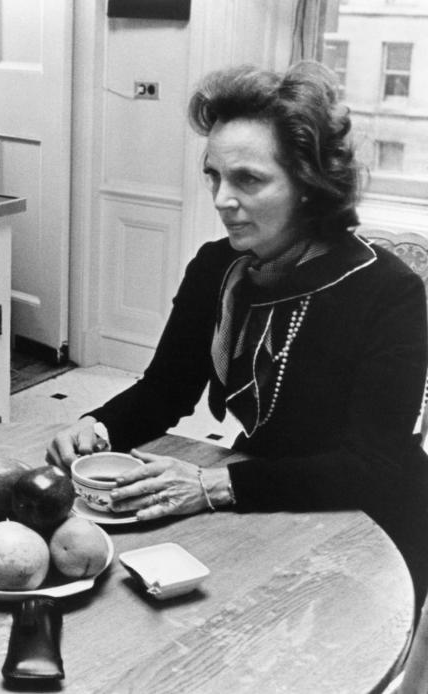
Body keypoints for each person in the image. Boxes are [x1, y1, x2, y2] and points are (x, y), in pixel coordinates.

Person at [47, 61, 428, 610]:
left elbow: (375, 464)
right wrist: (97, 426)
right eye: (214, 175)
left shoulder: (387, 290)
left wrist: (211, 487)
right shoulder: (216, 268)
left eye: (248, 179)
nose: (222, 198)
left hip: (372, 522)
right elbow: (164, 390)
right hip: (263, 488)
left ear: (308, 184)